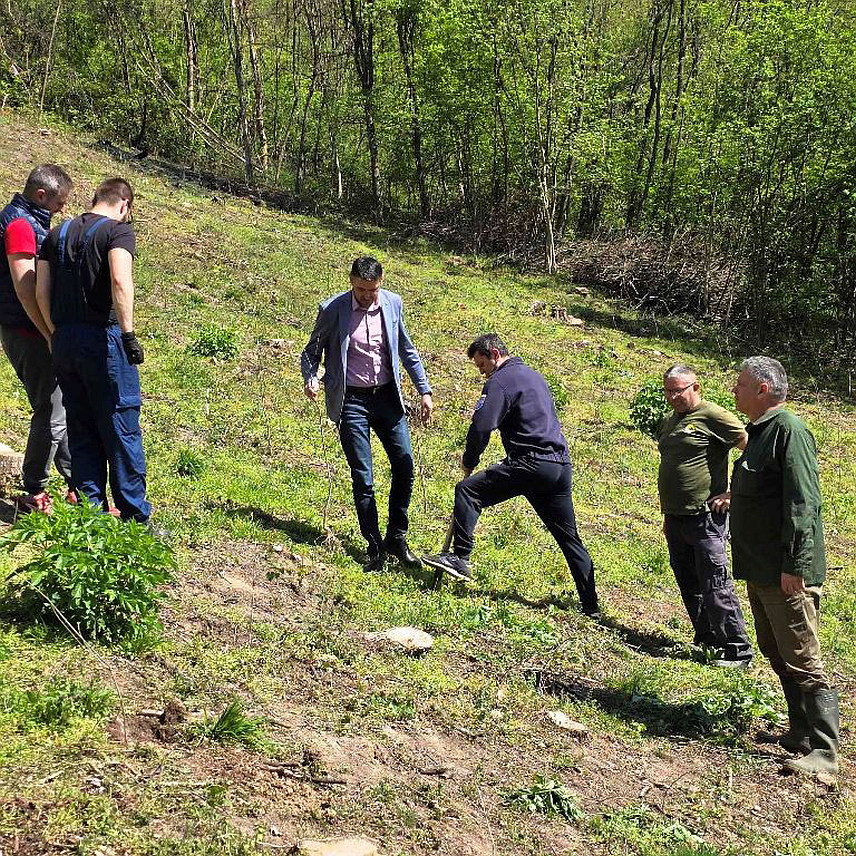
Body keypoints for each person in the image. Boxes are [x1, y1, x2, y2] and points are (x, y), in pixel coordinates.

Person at [713, 356, 839, 776]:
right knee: (776, 650)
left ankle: (825, 752)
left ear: (763, 389)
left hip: (785, 571)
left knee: (803, 658)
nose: (734, 391)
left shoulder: (789, 431)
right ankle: (800, 733)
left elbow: (804, 502)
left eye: (741, 384)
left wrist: (796, 565)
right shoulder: (760, 433)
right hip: (761, 567)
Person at [422, 333, 599, 616]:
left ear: (494, 354)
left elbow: (482, 425)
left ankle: (460, 557)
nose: (482, 373)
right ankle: (591, 606)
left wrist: (470, 460)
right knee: (569, 538)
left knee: (468, 491)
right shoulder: (534, 377)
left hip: (530, 463)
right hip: (559, 466)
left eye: (482, 365)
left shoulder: (500, 381)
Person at [301, 256, 433, 571]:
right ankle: (374, 547)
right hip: (352, 401)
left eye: (371, 290)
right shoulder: (333, 309)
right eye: (360, 289)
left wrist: (424, 390)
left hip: (387, 397)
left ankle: (397, 539)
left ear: (381, 283)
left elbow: (406, 349)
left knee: (405, 464)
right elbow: (311, 352)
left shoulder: (392, 304)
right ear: (351, 281)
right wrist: (311, 377)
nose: (366, 296)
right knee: (364, 476)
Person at [36, 177, 153, 524]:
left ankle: (91, 519)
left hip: (65, 341)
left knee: (82, 427)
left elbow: (42, 291)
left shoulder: (56, 234)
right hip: (104, 340)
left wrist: (53, 332)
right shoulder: (118, 232)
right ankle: (135, 518)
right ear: (125, 205)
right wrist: (129, 335)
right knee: (121, 426)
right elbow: (120, 279)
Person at [656, 364, 753, 667]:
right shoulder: (672, 420)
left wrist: (732, 492)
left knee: (715, 583)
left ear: (695, 387)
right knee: (688, 580)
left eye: (678, 391)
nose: (673, 397)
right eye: (668, 391)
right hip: (676, 517)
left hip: (705, 517)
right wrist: (668, 515)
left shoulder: (712, 415)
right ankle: (709, 640)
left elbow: (751, 445)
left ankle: (738, 649)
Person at [0, 164, 74, 513]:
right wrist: (48, 333)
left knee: (57, 407)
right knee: (50, 408)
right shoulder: (19, 225)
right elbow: (25, 289)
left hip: (28, 328)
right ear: (42, 195)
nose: (63, 209)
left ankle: (78, 483)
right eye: (61, 201)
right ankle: (33, 491)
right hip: (26, 330)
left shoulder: (29, 222)